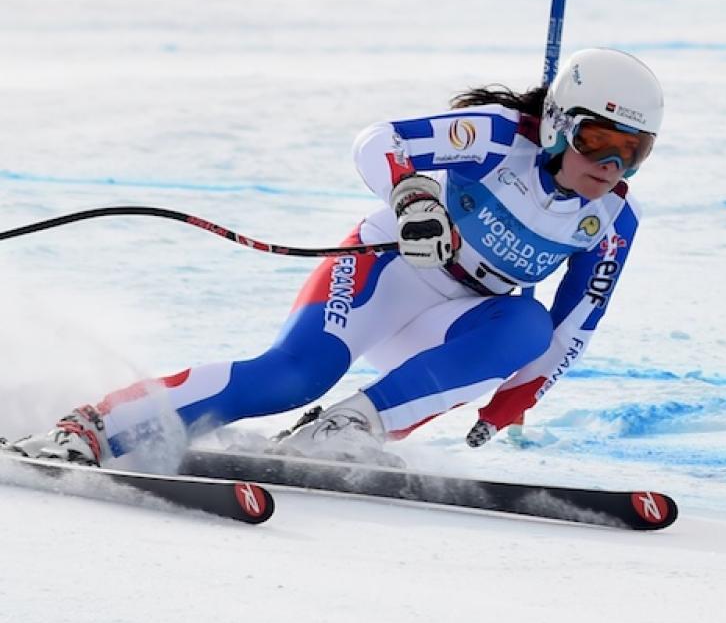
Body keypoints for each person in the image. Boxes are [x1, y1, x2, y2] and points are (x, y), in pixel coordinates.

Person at [6, 47, 663, 470]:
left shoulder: (610, 220)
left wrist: (508, 407)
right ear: (555, 123)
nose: (608, 165)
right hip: (391, 272)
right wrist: (412, 199)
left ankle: (345, 431)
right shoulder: (494, 136)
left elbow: (575, 325)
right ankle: (94, 425)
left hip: (459, 328)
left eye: (631, 151)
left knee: (527, 325)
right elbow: (377, 142)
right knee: (293, 375)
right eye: (595, 139)